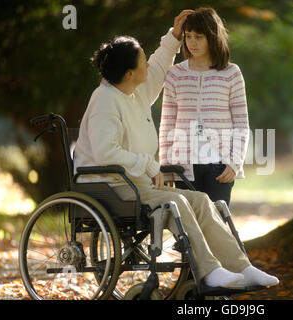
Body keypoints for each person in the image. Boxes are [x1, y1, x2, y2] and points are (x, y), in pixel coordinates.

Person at [73, 10, 278, 289]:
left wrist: (173, 36)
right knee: (177, 202)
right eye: (143, 60)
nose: (150, 65)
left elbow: (158, 67)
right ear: (130, 72)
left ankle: (243, 266)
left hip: (134, 183)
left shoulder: (134, 93)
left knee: (203, 202)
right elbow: (105, 153)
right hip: (110, 186)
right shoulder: (105, 100)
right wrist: (152, 165)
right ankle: (210, 271)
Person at [158, 8, 249, 206]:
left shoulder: (231, 73)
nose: (192, 42)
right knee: (188, 227)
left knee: (216, 223)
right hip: (183, 167)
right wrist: (165, 167)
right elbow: (167, 124)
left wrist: (234, 163)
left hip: (220, 165)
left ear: (212, 37)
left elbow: (241, 123)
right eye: (188, 36)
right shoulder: (175, 74)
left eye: (198, 37)